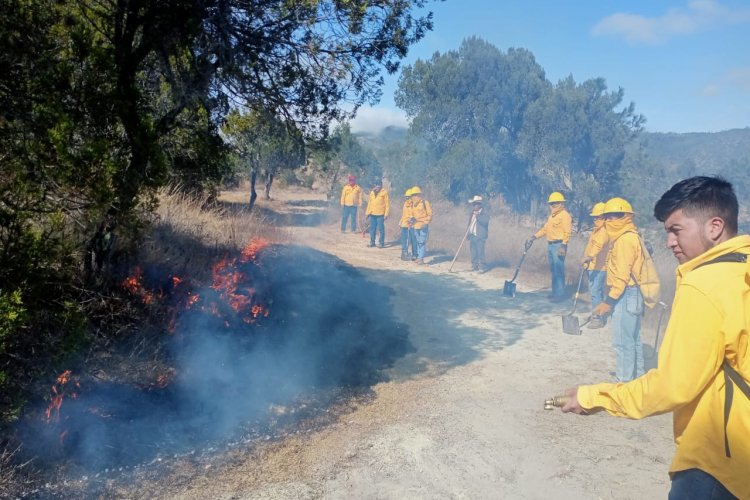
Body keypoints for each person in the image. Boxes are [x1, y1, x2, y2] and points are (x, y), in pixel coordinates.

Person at [561, 177, 750, 499]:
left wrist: (597, 397)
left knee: (626, 341)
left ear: (715, 227)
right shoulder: (740, 268)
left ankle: (626, 378)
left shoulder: (703, 285)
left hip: (717, 459)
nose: (669, 242)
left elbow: (673, 385)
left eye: (676, 230)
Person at [589, 197, 647, 382]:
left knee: (622, 342)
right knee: (633, 340)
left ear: (626, 217)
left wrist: (609, 302)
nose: (608, 221)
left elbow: (622, 277)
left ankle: (623, 381)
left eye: (613, 217)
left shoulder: (624, 241)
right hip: (633, 294)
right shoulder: (630, 236)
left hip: (626, 294)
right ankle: (637, 379)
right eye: (607, 217)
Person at [527, 191, 572, 301]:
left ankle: (560, 295)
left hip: (559, 245)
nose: (553, 205)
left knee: (559, 270)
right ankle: (555, 292)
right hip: (551, 245)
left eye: (556, 203)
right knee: (553, 270)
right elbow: (545, 229)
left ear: (561, 203)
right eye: (552, 203)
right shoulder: (552, 216)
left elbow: (567, 232)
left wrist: (563, 246)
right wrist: (534, 236)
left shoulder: (565, 216)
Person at [581, 202, 609, 328]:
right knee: (597, 292)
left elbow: (598, 246)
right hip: (593, 265)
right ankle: (599, 313)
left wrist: (589, 257)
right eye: (594, 217)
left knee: (595, 292)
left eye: (597, 217)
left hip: (599, 267)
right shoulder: (597, 230)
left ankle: (597, 318)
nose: (595, 220)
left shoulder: (603, 231)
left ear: (604, 217)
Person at [409, 186, 432, 264]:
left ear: (419, 194)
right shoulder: (413, 204)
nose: (413, 197)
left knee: (422, 242)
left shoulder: (425, 203)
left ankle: (421, 259)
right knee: (418, 242)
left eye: (415, 195)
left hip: (423, 225)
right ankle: (419, 257)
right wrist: (411, 220)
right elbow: (412, 214)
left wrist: (426, 223)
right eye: (413, 195)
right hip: (416, 225)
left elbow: (430, 214)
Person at [365, 179, 389, 248]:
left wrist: (386, 214)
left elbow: (387, 204)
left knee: (381, 229)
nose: (378, 186)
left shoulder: (384, 193)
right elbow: (370, 203)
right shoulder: (372, 192)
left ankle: (381, 243)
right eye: (376, 185)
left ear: (381, 185)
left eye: (379, 185)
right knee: (372, 229)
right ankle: (372, 243)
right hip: (372, 214)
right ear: (374, 185)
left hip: (380, 214)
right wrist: (367, 213)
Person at [468, 195, 489, 271]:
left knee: (480, 252)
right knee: (473, 252)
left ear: (479, 205)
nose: (473, 206)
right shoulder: (472, 213)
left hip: (480, 236)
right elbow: (469, 224)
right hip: (472, 235)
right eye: (473, 204)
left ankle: (483, 267)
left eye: (475, 204)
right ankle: (474, 265)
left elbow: (485, 222)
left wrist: (478, 217)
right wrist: (468, 233)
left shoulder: (484, 212)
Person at [399, 188, 415, 260]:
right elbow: (404, 214)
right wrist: (401, 221)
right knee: (404, 239)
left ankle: (412, 254)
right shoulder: (405, 204)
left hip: (410, 225)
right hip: (404, 224)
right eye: (406, 197)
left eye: (408, 197)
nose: (406, 198)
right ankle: (404, 254)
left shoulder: (413, 205)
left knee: (410, 240)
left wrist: (411, 219)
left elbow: (412, 215)